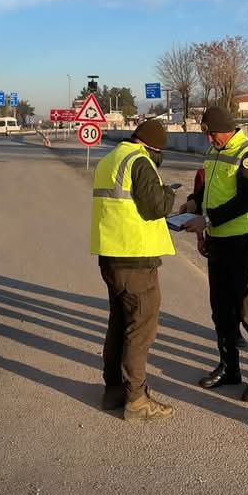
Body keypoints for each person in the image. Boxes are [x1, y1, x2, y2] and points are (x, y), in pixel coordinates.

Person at [180, 106, 248, 403]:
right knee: (221, 309)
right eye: (206, 133)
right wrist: (192, 205)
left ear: (226, 128)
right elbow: (208, 190)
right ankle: (229, 367)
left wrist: (207, 220)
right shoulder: (213, 153)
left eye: (212, 133)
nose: (209, 138)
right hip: (219, 240)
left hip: (245, 241)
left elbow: (245, 200)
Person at [91, 119, 177, 421]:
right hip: (136, 258)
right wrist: (169, 193)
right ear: (151, 146)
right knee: (140, 330)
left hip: (111, 255)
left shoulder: (110, 158)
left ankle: (113, 391)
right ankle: (137, 399)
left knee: (119, 325)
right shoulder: (139, 161)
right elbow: (156, 206)